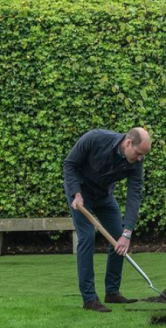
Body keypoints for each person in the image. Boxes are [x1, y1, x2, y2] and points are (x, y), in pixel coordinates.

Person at [63, 127, 151, 312]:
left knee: (118, 238)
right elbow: (70, 164)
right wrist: (76, 194)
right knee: (87, 238)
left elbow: (134, 195)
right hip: (81, 195)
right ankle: (89, 299)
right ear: (128, 143)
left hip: (104, 196)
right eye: (139, 153)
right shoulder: (95, 139)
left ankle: (112, 292)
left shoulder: (136, 162)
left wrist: (127, 233)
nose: (140, 158)